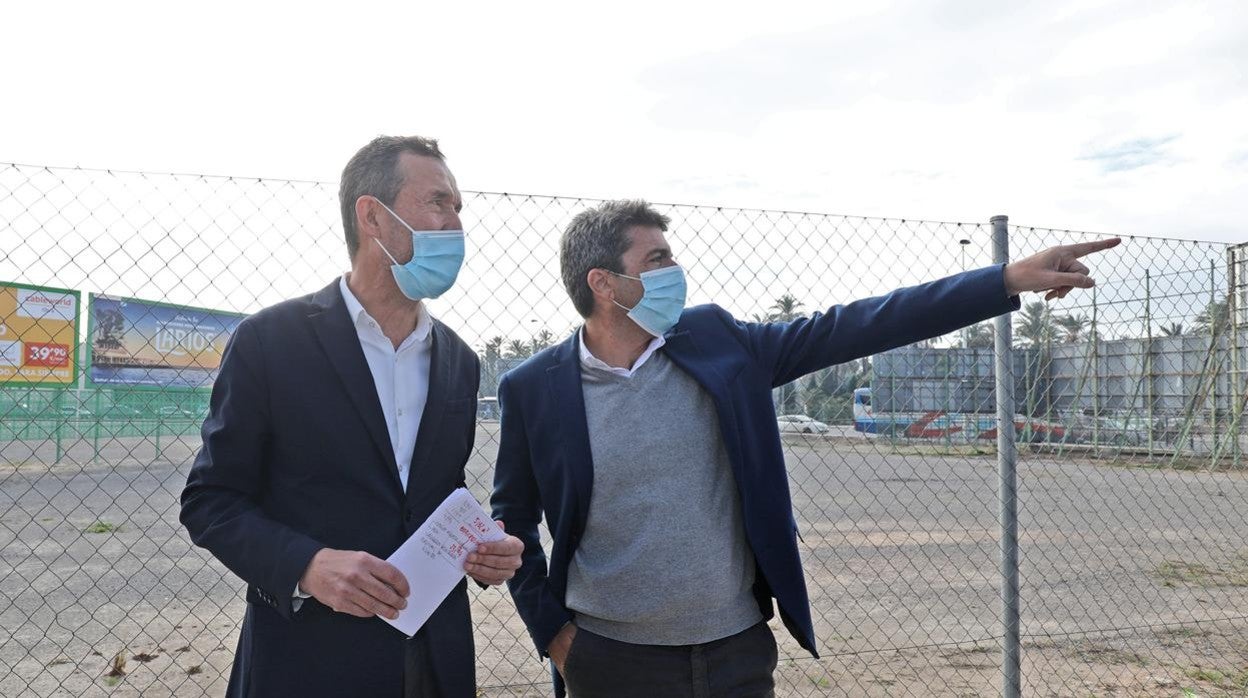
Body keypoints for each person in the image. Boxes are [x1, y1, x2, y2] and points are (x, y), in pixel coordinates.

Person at [491, 199, 1119, 697]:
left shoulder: (717, 340)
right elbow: (511, 522)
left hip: (733, 651)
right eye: (656, 259)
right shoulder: (534, 389)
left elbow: (857, 324)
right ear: (603, 282)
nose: (674, 273)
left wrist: (1003, 279)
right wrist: (557, 637)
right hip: (610, 661)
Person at [181, 135, 523, 697]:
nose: (456, 225)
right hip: (308, 661)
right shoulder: (272, 341)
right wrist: (307, 566)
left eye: (459, 209)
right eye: (438, 203)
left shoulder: (458, 359)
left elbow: (433, 490)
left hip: (435, 657)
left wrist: (482, 544)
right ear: (373, 216)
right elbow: (211, 500)